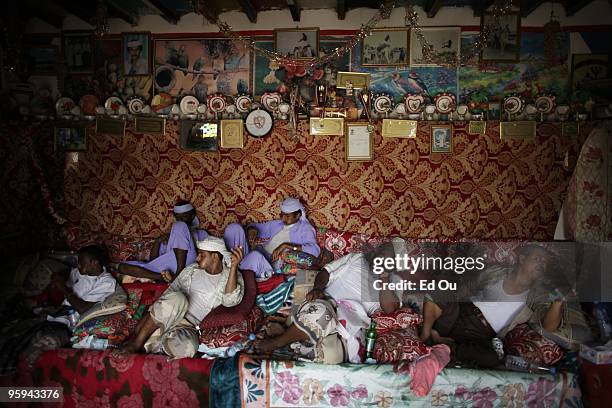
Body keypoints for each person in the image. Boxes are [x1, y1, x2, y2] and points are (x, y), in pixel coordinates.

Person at [419, 244, 584, 368]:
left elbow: (548, 326)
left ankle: (444, 344)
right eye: (537, 258)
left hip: (480, 334)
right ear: (522, 259)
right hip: (459, 313)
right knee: (442, 286)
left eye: (545, 262)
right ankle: (426, 335)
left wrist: (558, 302)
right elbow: (464, 288)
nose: (542, 263)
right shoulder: (496, 273)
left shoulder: (537, 296)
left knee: (491, 359)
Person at [253, 239, 413, 364]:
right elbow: (326, 272)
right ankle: (278, 342)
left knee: (334, 356)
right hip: (323, 304)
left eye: (391, 258)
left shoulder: (394, 283)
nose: (385, 258)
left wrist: (384, 275)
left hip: (347, 325)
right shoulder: (357, 258)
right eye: (384, 252)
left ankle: (292, 336)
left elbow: (389, 308)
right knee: (322, 314)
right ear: (377, 251)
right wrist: (318, 289)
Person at [117, 237, 244, 358]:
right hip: (171, 314)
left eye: (202, 254)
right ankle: (137, 343)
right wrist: (148, 316)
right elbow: (169, 294)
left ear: (215, 257)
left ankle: (152, 344)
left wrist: (233, 268)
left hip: (188, 326)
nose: (197, 258)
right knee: (178, 298)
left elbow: (230, 301)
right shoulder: (191, 270)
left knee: (189, 348)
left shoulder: (230, 276)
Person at [224, 197, 320, 280]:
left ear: (298, 215)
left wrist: (285, 245)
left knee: (255, 256)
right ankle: (233, 265)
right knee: (234, 228)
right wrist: (252, 231)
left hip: (267, 263)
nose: (283, 219)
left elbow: (314, 250)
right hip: (251, 255)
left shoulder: (305, 228)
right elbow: (254, 226)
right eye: (282, 215)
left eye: (287, 216)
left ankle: (234, 271)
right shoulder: (277, 224)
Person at [118, 200, 208, 282]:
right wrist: (158, 241)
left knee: (180, 226)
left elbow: (205, 256)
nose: (181, 220)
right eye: (178, 217)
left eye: (184, 217)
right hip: (166, 267)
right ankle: (162, 277)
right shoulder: (170, 235)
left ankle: (178, 275)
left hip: (187, 261)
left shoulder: (201, 233)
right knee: (122, 267)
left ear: (192, 216)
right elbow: (153, 261)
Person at [51, 245, 118, 316]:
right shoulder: (82, 272)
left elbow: (82, 308)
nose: (79, 265)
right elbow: (69, 272)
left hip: (72, 315)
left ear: (94, 262)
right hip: (61, 308)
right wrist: (58, 277)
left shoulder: (106, 282)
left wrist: (63, 288)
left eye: (81, 263)